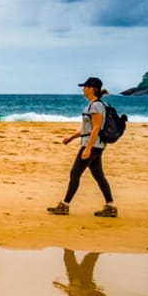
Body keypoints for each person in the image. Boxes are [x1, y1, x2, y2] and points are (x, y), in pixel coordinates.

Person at [47, 77, 117, 218]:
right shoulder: (93, 105)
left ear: (92, 88)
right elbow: (87, 128)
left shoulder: (96, 105)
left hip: (92, 145)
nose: (83, 89)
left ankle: (65, 205)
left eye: (85, 87)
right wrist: (72, 137)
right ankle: (110, 206)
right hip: (95, 145)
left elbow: (96, 128)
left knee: (75, 173)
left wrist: (87, 148)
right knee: (99, 176)